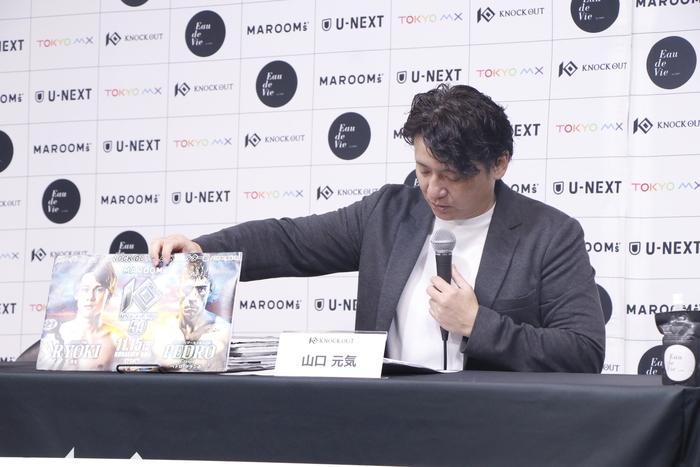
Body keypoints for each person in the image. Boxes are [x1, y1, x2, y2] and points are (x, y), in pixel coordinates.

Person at [150, 84, 606, 373]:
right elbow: (291, 241)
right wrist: (202, 249)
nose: (434, 189)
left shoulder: (551, 235)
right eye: (424, 170)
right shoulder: (388, 214)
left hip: (493, 430)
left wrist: (476, 323)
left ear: (499, 164)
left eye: (452, 176)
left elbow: (582, 351)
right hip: (386, 421)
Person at [38, 261, 126, 371]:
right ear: (76, 294)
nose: (90, 297)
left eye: (99, 290)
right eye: (85, 289)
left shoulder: (118, 339)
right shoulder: (54, 334)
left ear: (108, 296)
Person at [151, 258, 231, 371]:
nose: (193, 297)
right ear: (178, 290)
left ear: (210, 290)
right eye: (188, 289)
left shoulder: (225, 331)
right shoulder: (159, 331)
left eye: (200, 289)